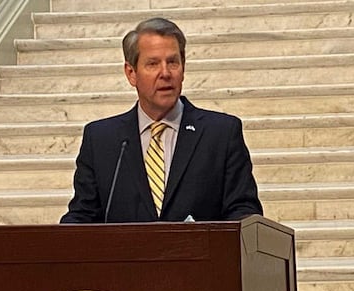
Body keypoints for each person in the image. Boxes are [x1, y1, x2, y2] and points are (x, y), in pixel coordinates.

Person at [60, 17, 262, 223]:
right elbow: (82, 216)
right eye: (153, 64)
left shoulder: (221, 134)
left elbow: (243, 212)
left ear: (183, 68)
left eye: (173, 62)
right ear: (131, 73)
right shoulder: (101, 140)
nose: (165, 73)